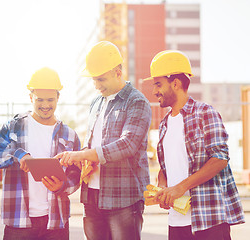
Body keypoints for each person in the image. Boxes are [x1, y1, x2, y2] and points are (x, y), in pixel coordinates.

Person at [56, 41, 152, 240]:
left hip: (123, 199)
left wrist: (83, 154)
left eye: (101, 79)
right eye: (94, 80)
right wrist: (83, 157)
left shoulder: (136, 101)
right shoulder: (96, 102)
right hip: (92, 196)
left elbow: (128, 145)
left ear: (118, 72)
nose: (96, 85)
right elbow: (91, 144)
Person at [146, 50, 245, 239]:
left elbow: (220, 158)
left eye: (158, 84)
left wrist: (180, 187)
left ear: (175, 83)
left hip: (208, 219)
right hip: (176, 222)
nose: (154, 91)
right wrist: (162, 186)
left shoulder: (205, 112)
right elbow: (167, 166)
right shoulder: (165, 124)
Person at [0, 67, 81, 240]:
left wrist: (62, 186)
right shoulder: (13, 126)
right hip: (18, 221)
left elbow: (77, 175)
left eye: (50, 99)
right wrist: (18, 155)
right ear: (31, 97)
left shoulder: (70, 135)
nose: (45, 105)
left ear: (58, 97)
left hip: (56, 222)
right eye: (39, 99)